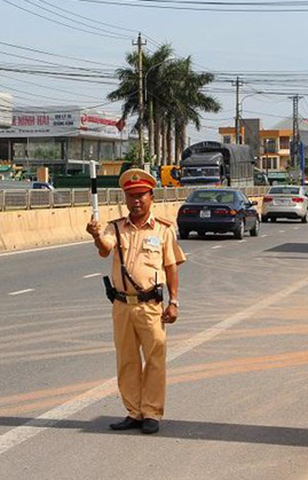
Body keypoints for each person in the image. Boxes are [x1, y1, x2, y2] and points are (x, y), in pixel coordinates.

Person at [86, 168, 186, 435]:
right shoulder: (115, 227)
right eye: (131, 196)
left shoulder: (163, 230)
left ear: (151, 197)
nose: (136, 200)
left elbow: (172, 266)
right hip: (121, 305)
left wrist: (173, 302)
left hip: (150, 306)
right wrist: (96, 235)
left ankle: (152, 412)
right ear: (125, 199)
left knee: (155, 359)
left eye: (141, 195)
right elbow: (105, 249)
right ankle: (134, 411)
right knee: (127, 360)